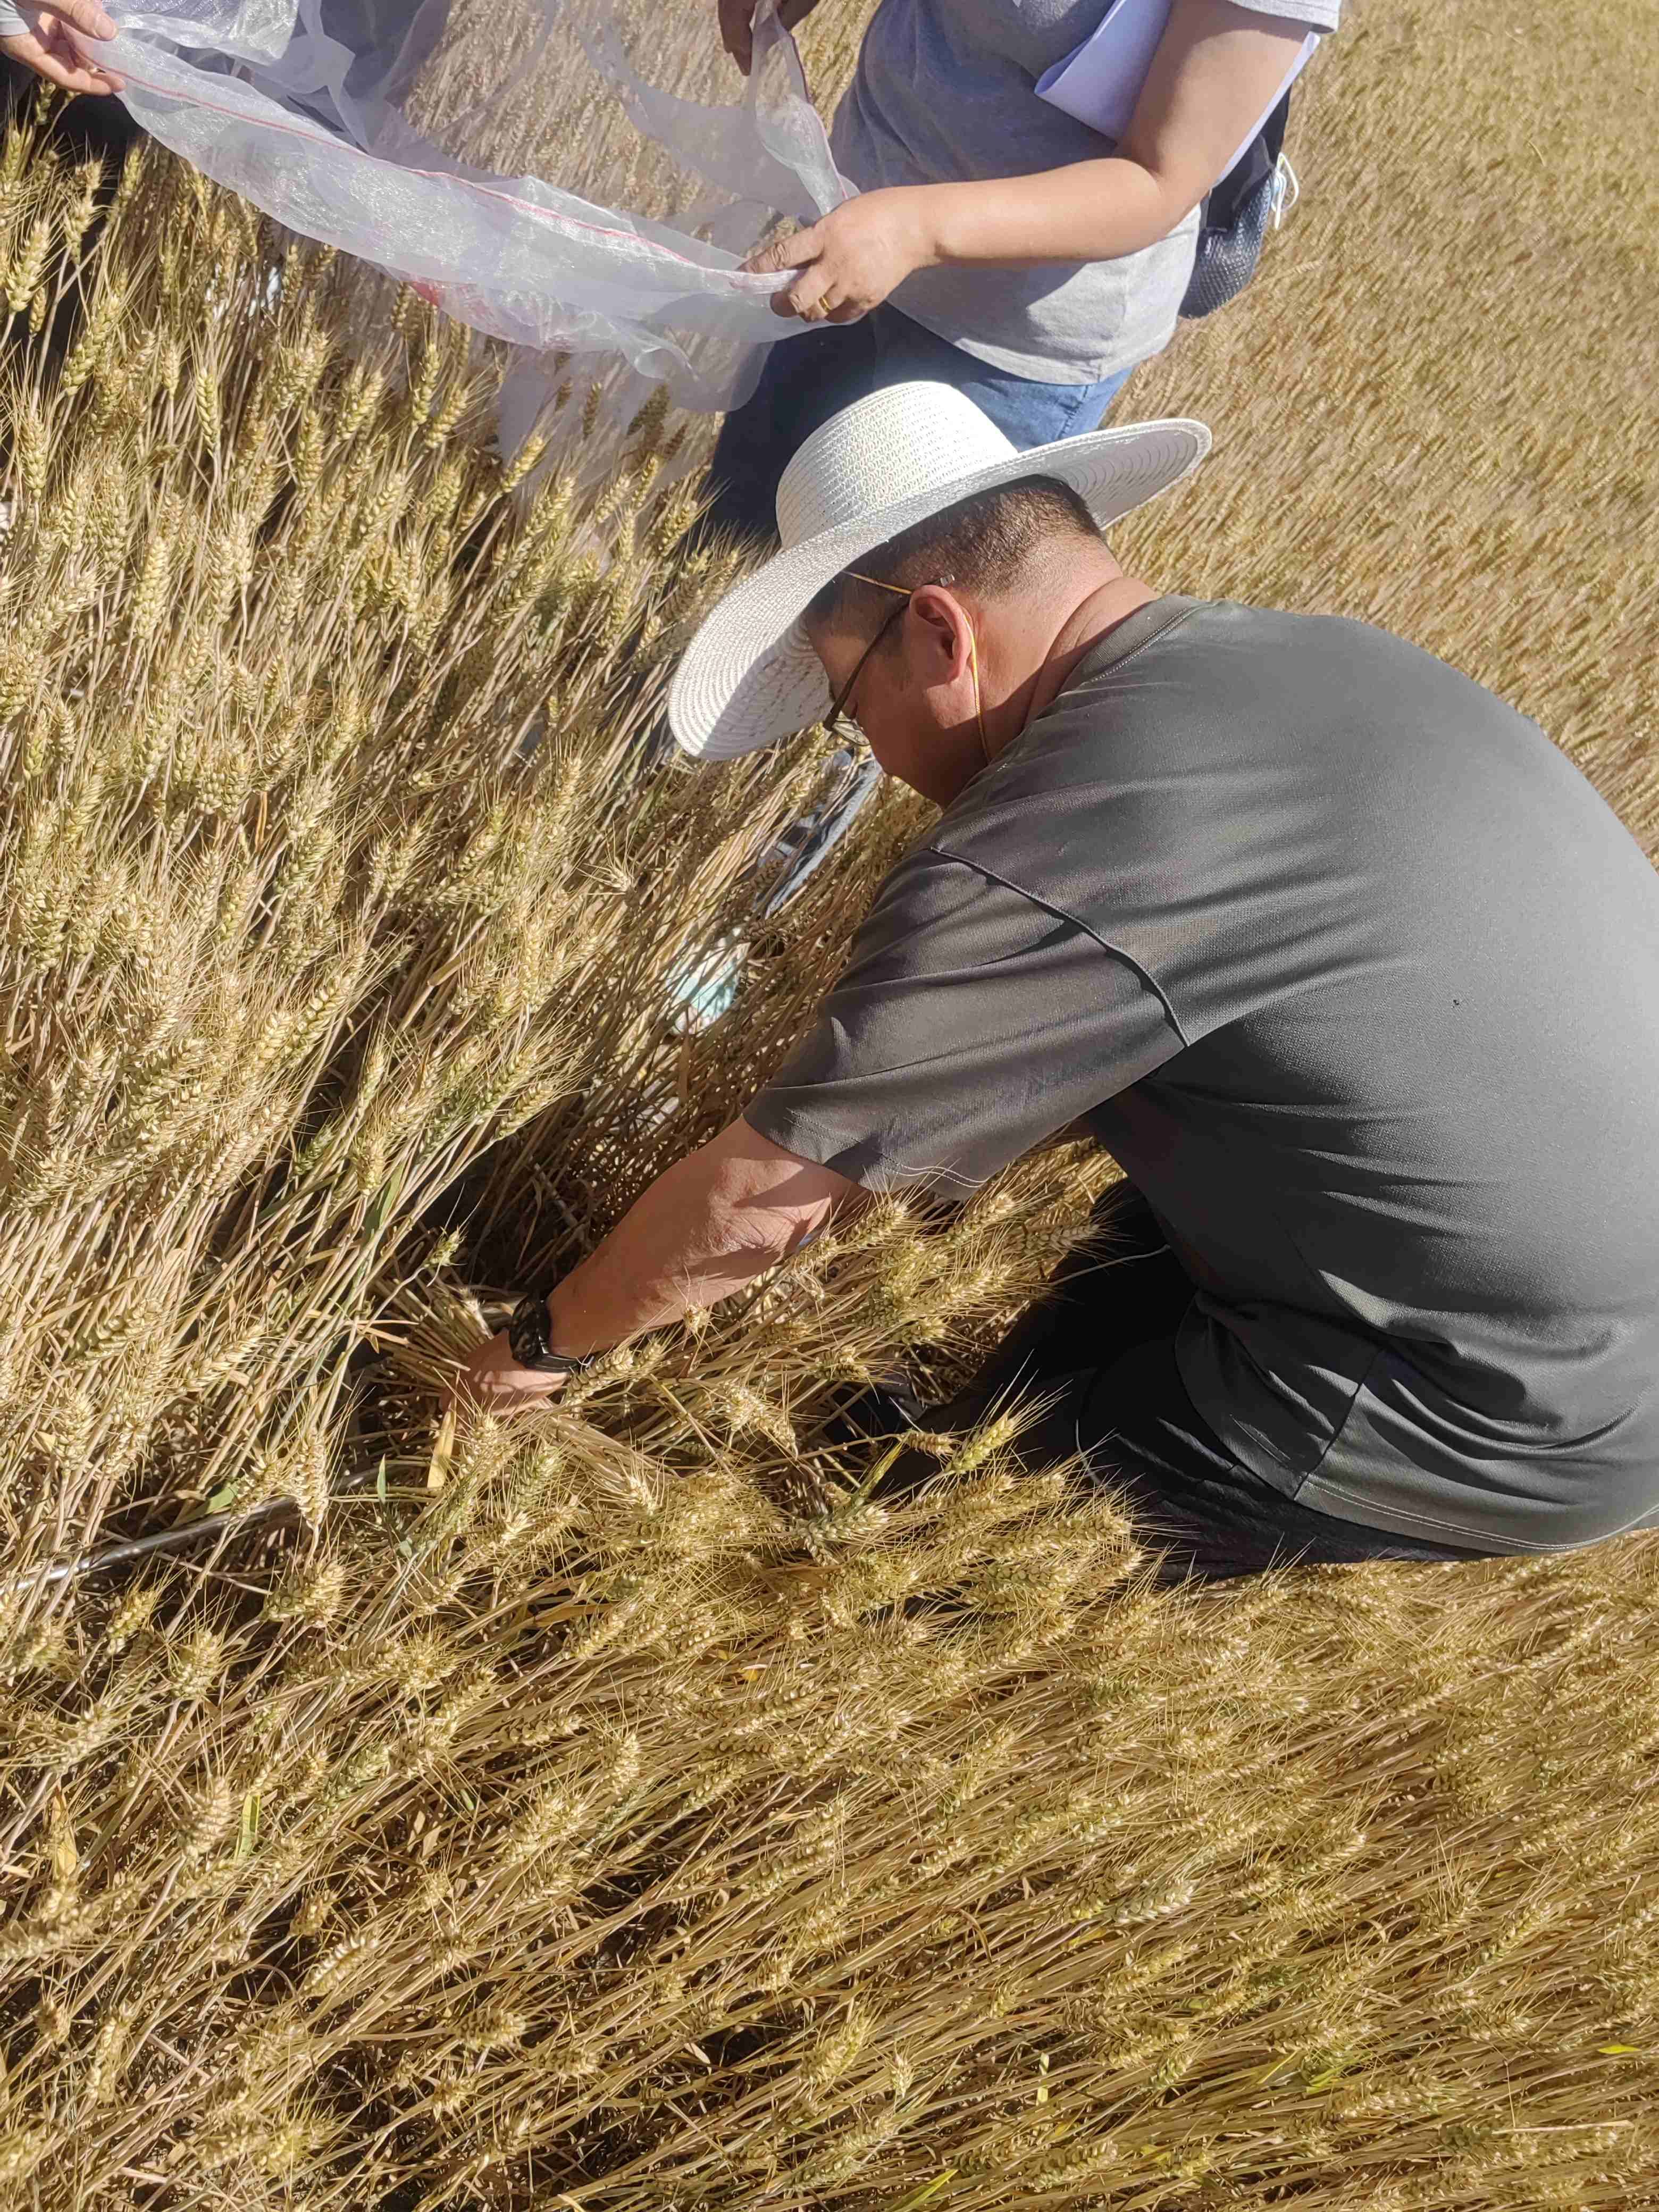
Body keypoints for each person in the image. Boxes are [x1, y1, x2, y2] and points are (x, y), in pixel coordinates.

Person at [458, 380, 1659, 1583]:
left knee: (947, 1571)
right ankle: (928, 1465)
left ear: (938, 632)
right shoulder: (1307, 656)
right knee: (1118, 1266)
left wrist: (542, 1346)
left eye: (846, 703)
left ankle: (890, 1592)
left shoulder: (1061, 834)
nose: (866, 749)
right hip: (1551, 1278)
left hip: (1513, 1399)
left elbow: (767, 1195)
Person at [703, 0, 1337, 542]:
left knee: (858, 639)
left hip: (1000, 354)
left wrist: (910, 230)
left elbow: (1160, 177)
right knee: (724, 539)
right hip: (846, 230)